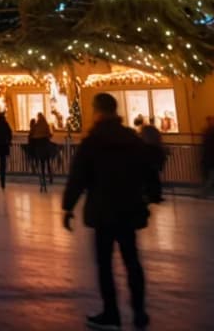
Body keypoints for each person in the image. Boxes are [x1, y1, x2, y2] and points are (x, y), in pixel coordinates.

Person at [62, 93, 161, 330]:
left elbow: (79, 176)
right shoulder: (131, 138)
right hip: (128, 208)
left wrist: (68, 207)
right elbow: (149, 168)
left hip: (103, 210)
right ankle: (138, 311)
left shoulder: (93, 141)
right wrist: (152, 194)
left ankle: (111, 313)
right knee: (132, 261)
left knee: (105, 264)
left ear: (98, 110)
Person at [135, 117, 167, 184]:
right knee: (154, 177)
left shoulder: (145, 131)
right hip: (155, 157)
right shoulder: (152, 130)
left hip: (149, 158)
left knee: (150, 178)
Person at [29, 112, 54, 191]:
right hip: (46, 147)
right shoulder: (46, 125)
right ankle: (50, 177)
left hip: (39, 148)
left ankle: (42, 179)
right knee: (48, 163)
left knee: (42, 164)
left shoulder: (36, 126)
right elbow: (50, 135)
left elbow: (32, 134)